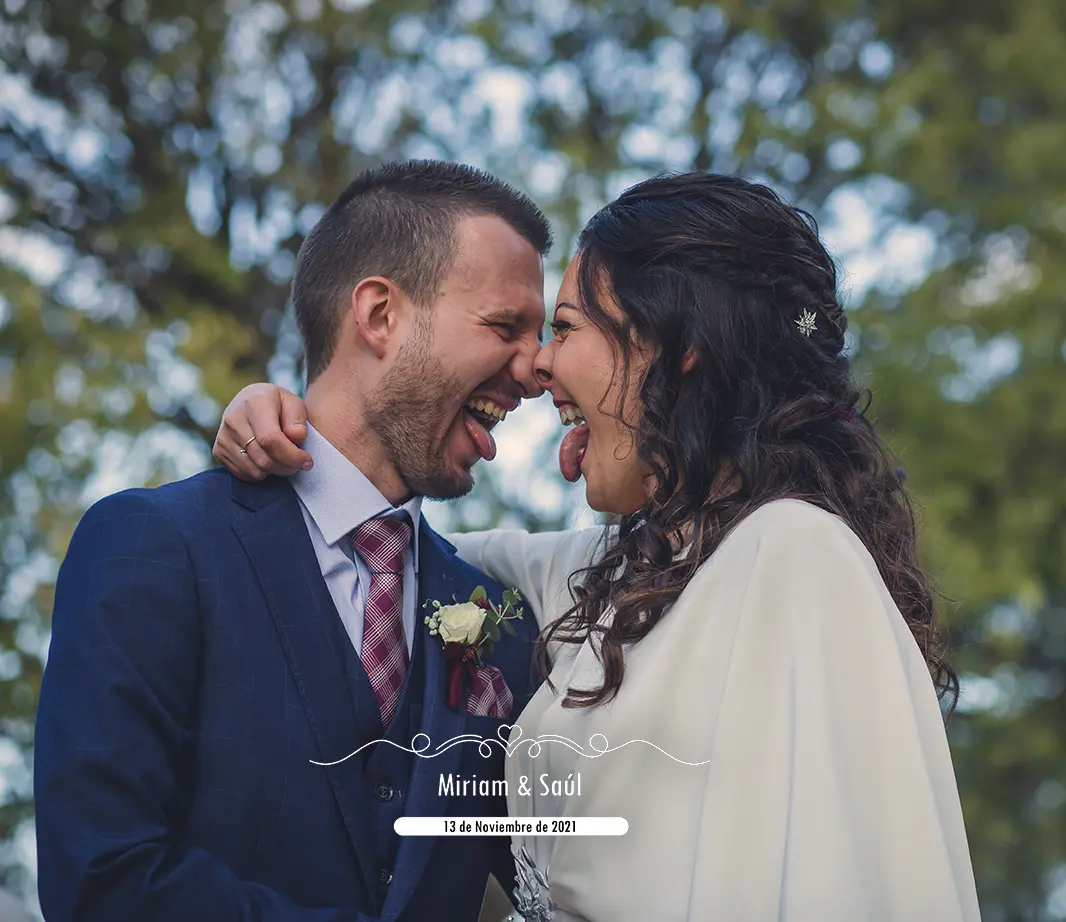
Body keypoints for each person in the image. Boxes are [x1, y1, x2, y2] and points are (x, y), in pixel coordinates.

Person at [217, 171, 984, 921]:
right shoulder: (601, 577)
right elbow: (380, 554)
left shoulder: (796, 554)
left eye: (565, 327)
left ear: (675, 343)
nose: (538, 364)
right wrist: (295, 429)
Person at [34, 160, 555, 922]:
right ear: (379, 314)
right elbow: (101, 879)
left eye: (543, 337)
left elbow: (564, 884)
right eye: (506, 327)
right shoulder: (154, 548)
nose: (537, 369)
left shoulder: (504, 624)